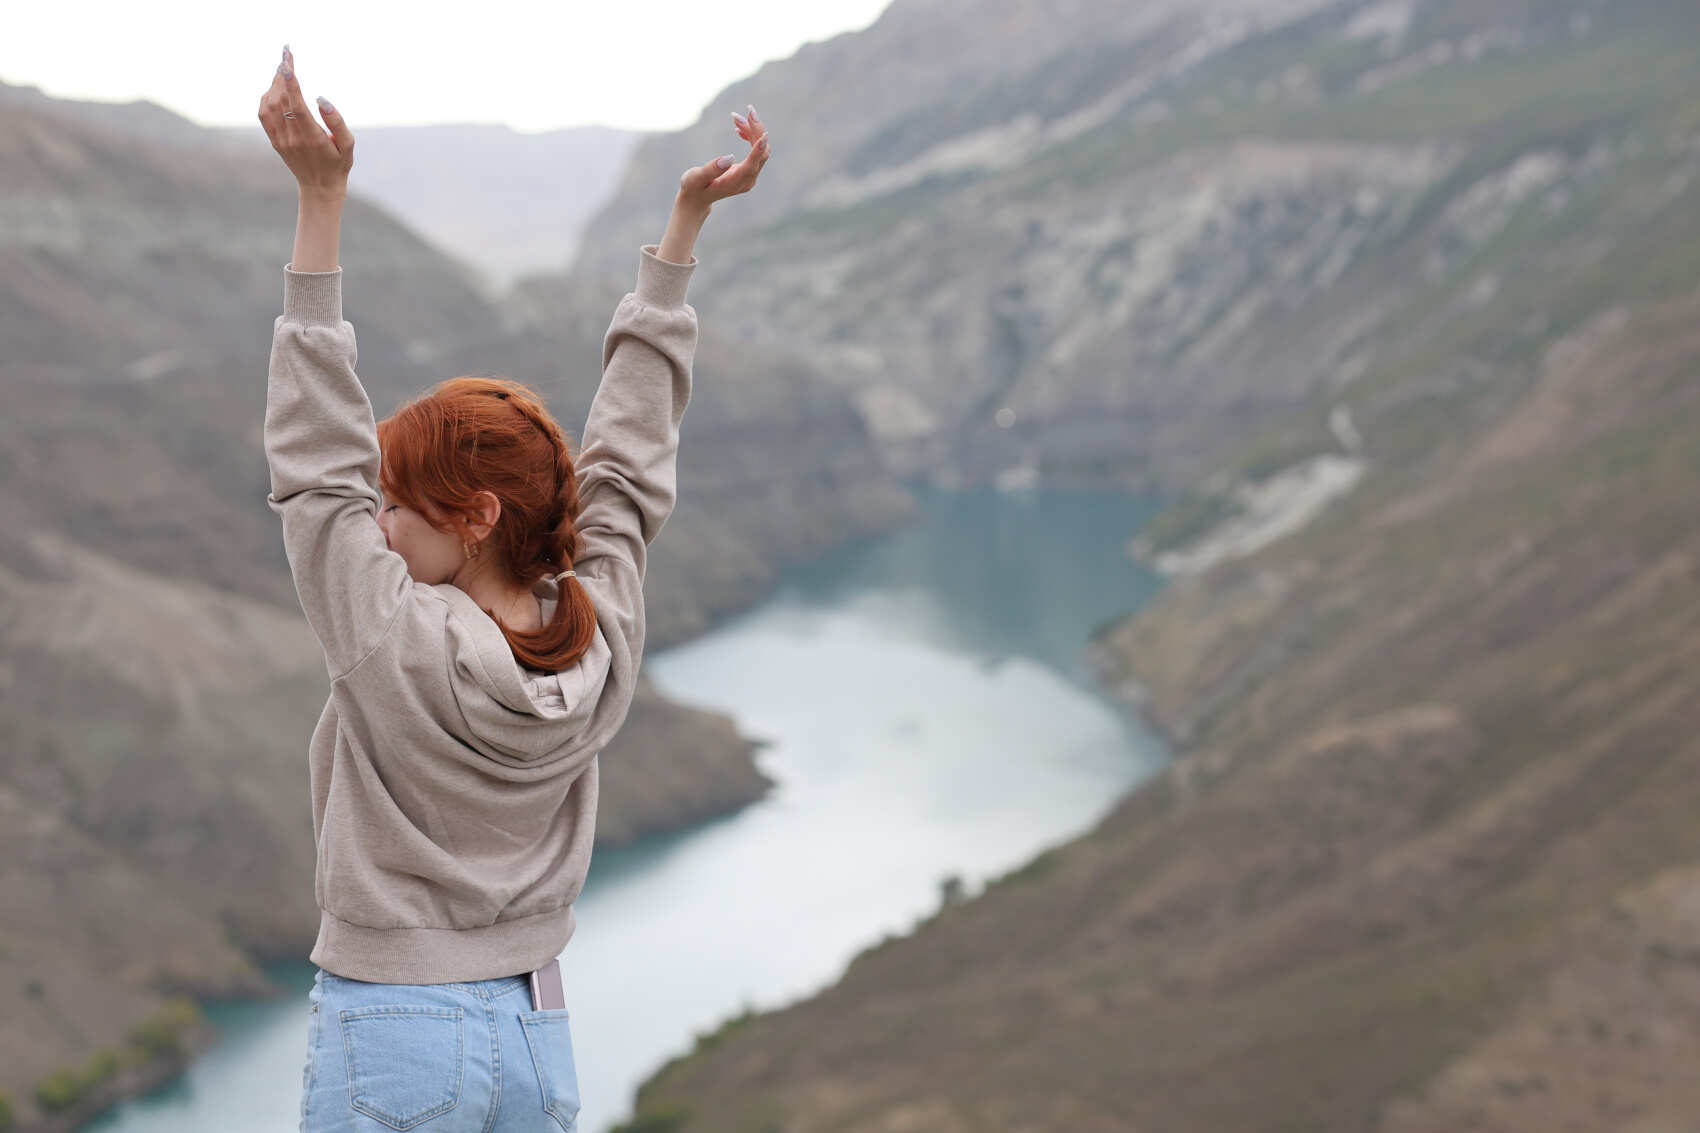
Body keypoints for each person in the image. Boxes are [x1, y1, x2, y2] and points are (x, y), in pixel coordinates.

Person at [256, 44, 770, 1132]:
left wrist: (319, 200)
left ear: (476, 516)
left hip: (392, 1033)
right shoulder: (599, 635)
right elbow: (627, 466)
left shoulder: (387, 637)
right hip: (537, 1039)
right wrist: (679, 244)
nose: (378, 525)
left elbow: (313, 465)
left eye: (398, 504)